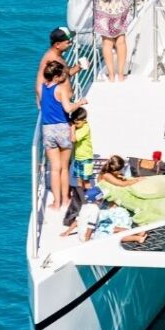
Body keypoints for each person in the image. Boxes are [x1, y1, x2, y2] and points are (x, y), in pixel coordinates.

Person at [40, 60, 87, 210]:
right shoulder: (60, 89)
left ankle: (56, 202)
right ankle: (66, 199)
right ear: (56, 77)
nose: (64, 76)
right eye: (62, 74)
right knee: (64, 168)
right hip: (62, 128)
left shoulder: (43, 87)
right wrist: (80, 102)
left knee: (55, 168)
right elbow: (68, 108)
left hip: (48, 129)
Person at [35, 26, 85, 108]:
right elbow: (40, 83)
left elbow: (66, 74)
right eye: (68, 43)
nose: (70, 44)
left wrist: (79, 66)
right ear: (57, 44)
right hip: (59, 105)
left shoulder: (59, 56)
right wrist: (45, 105)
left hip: (66, 102)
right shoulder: (50, 59)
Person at [82, 187, 148, 245]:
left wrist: (70, 230)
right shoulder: (94, 209)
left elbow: (78, 220)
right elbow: (89, 227)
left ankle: (138, 233)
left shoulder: (86, 207)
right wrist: (86, 243)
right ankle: (137, 238)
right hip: (93, 234)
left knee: (115, 228)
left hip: (98, 228)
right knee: (114, 235)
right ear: (98, 200)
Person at [69, 107, 94, 191]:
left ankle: (90, 196)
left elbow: (73, 139)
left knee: (86, 181)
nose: (76, 125)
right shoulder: (79, 127)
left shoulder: (85, 128)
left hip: (86, 158)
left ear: (84, 120)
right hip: (78, 158)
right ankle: (82, 196)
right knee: (79, 180)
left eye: (77, 123)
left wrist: (72, 128)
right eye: (74, 123)